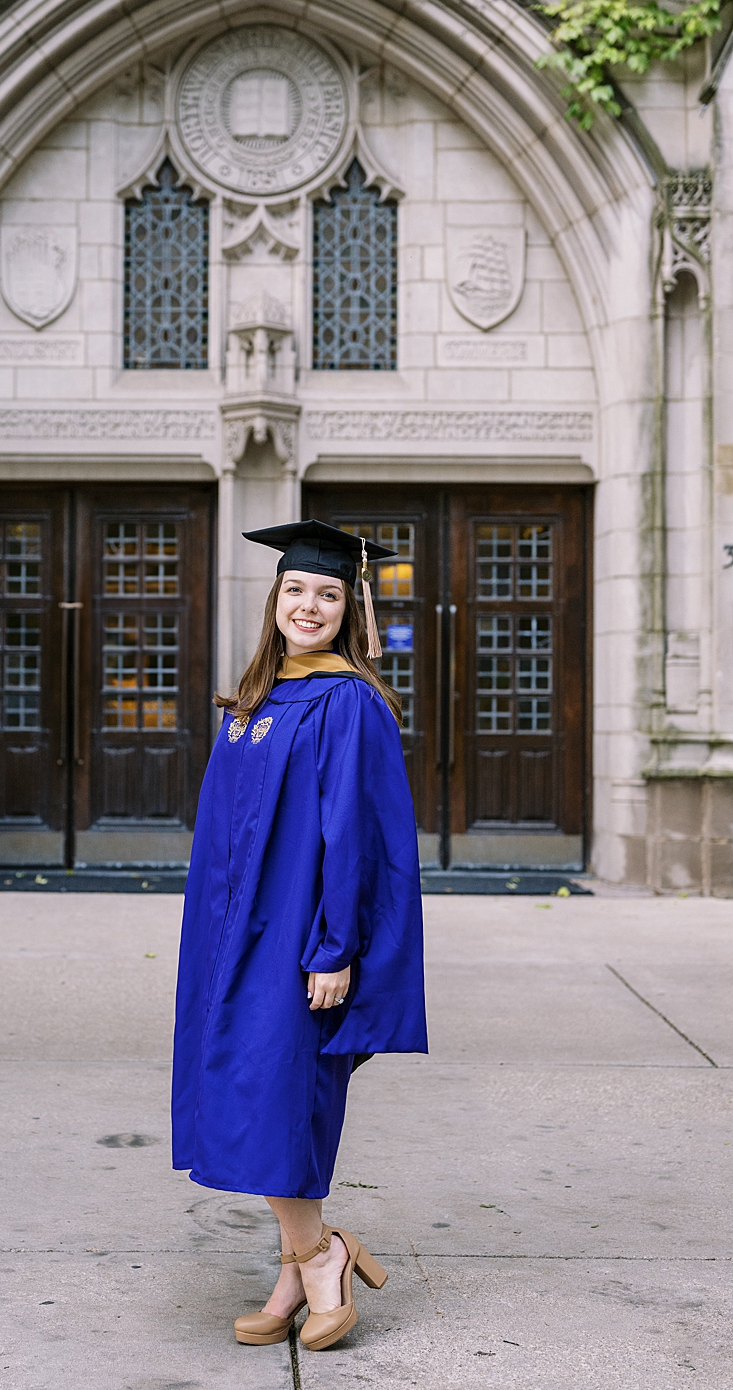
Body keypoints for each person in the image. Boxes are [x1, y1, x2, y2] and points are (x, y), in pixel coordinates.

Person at [172, 519, 427, 1352]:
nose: (308, 605)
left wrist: (334, 948)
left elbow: (355, 835)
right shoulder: (259, 695)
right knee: (243, 1096)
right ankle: (297, 1268)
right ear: (274, 598)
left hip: (296, 939)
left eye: (327, 593)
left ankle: (322, 1259)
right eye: (295, 589)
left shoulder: (347, 701)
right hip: (231, 936)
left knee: (277, 1101)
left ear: (350, 609)